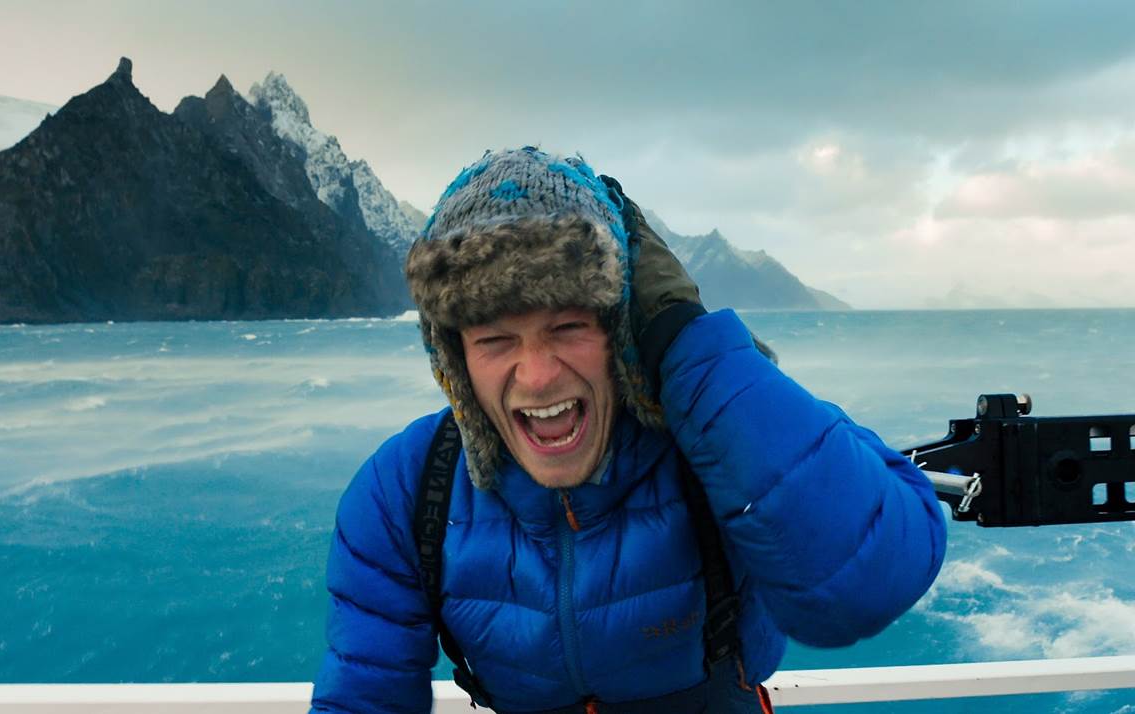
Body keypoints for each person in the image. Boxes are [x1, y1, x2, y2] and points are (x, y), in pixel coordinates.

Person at [310, 147, 947, 713]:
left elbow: (867, 583)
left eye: (568, 327)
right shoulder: (407, 490)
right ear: (455, 361)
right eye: (495, 339)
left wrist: (688, 342)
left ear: (621, 330)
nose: (536, 376)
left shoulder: (715, 440)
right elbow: (363, 699)